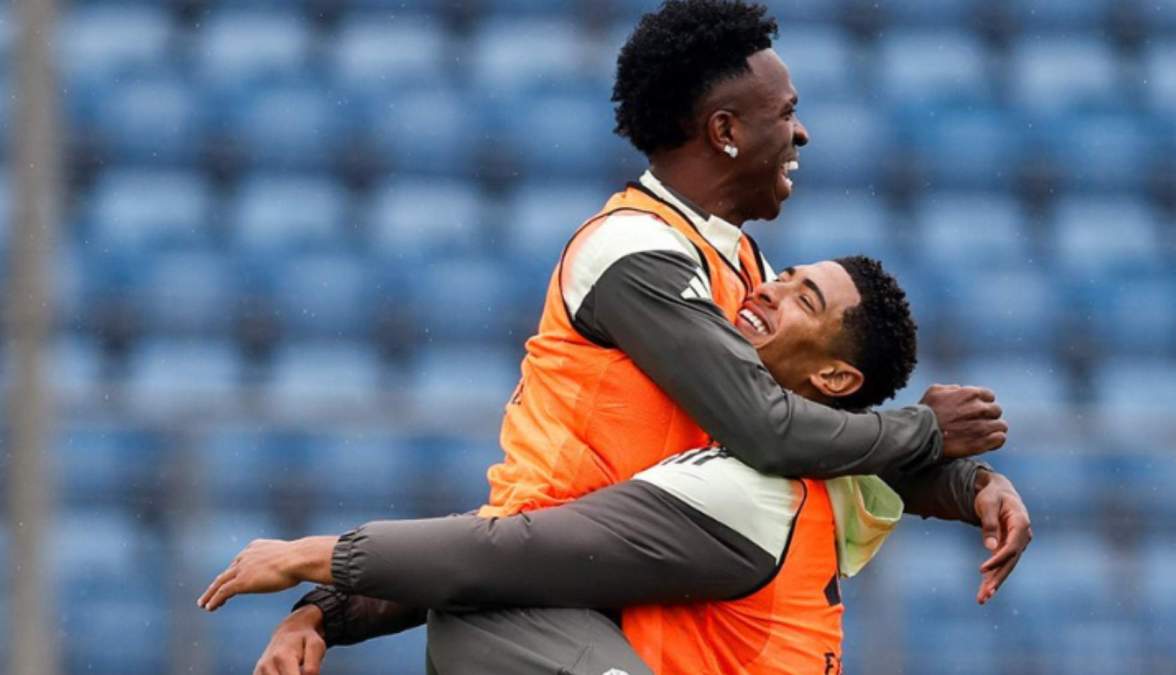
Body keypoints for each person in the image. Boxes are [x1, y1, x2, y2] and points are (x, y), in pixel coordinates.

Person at [236, 0, 1015, 672]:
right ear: (725, 131)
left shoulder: (746, 269)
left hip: (596, 588)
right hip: (524, 603)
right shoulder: (632, 252)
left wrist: (969, 485)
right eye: (785, 114)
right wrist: (923, 429)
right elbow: (766, 431)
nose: (801, 133)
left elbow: (826, 443)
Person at [202, 257, 1032, 674]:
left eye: (803, 299)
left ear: (835, 381)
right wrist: (322, 616)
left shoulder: (750, 485)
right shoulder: (805, 462)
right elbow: (891, 461)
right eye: (781, 274)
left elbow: (507, 554)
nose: (769, 289)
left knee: (482, 603)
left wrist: (311, 554)